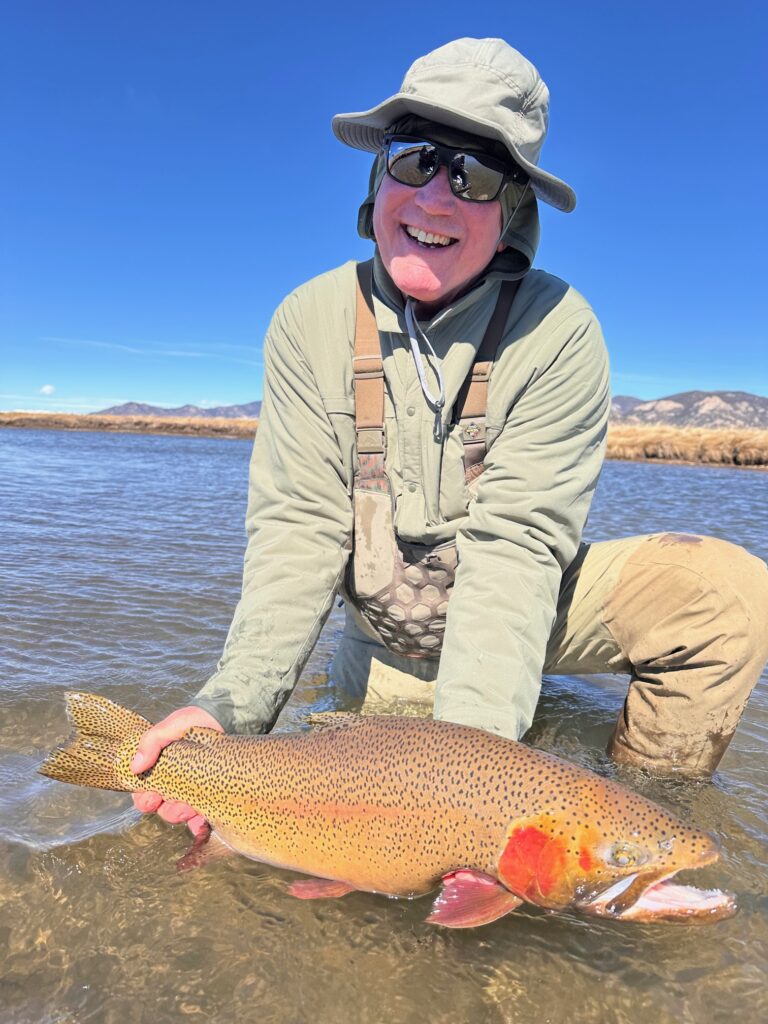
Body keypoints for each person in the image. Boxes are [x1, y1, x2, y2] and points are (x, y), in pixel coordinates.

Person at [131, 38, 768, 835]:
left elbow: (515, 550)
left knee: (726, 597)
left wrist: (469, 784)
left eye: (476, 175)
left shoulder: (561, 329)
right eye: (415, 160)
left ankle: (642, 825)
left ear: (513, 212)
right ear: (378, 179)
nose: (436, 198)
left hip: (522, 603)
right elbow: (298, 530)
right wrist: (228, 711)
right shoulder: (308, 318)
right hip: (385, 626)